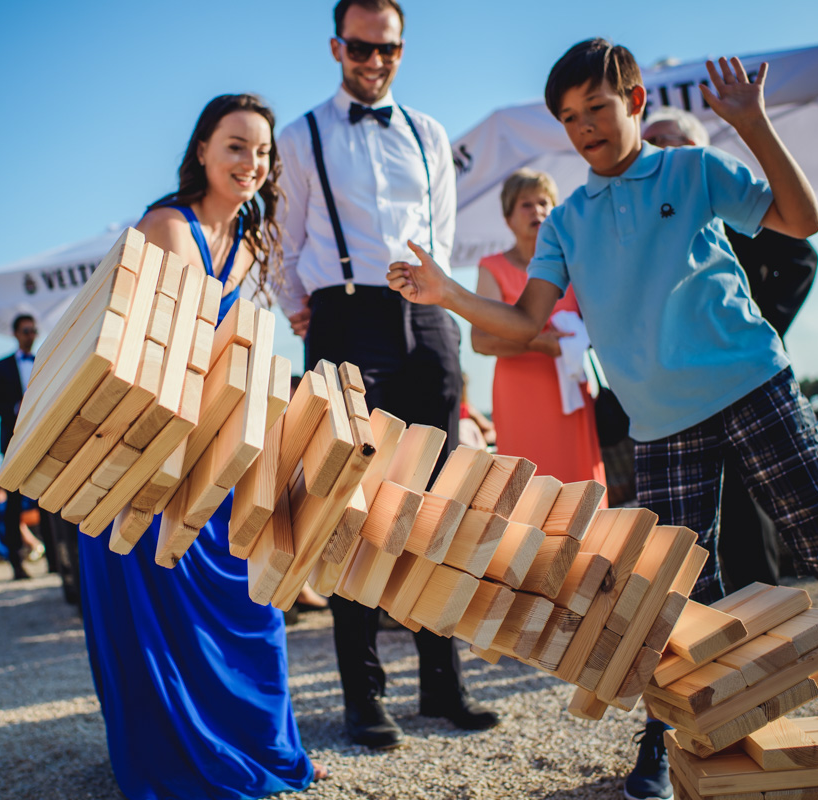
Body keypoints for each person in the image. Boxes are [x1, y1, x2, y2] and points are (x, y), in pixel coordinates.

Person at [386, 38, 818, 794]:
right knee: (670, 594)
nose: (585, 127)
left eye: (597, 107)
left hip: (753, 386)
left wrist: (753, 125)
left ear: (634, 101)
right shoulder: (565, 223)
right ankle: (667, 731)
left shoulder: (692, 170)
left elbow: (802, 220)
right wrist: (448, 294)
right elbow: (526, 321)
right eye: (569, 117)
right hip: (659, 426)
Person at [76, 93, 324, 800]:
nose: (252, 162)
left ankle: (258, 748)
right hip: (143, 450)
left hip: (214, 444)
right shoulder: (165, 227)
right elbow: (144, 355)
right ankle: (180, 758)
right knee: (161, 616)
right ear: (203, 151)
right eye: (236, 146)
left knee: (253, 604)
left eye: (263, 151)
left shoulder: (251, 239)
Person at [276, 0, 498, 751]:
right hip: (343, 317)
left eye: (389, 50)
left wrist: (440, 305)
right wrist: (299, 307)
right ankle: (363, 696)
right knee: (349, 502)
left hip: (426, 318)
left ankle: (443, 683)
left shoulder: (429, 132)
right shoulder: (299, 135)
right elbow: (286, 240)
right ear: (336, 47)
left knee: (436, 501)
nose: (375, 62)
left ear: (402, 49)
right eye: (362, 48)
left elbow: (445, 234)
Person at [643, 106, 818, 591]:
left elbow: (801, 257)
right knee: (686, 532)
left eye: (661, 140)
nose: (650, 150)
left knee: (749, 508)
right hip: (677, 389)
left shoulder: (723, 194)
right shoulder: (648, 215)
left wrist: (755, 327)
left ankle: (764, 617)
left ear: (693, 148)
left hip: (742, 377)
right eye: (647, 141)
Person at [472, 168, 606, 489]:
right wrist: (536, 342)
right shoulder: (493, 267)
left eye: (544, 203)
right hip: (520, 395)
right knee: (528, 488)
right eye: (526, 204)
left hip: (571, 393)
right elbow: (481, 341)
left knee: (579, 486)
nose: (538, 211)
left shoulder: (574, 263)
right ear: (508, 218)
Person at [0, 314, 41, 580]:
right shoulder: (0, 366)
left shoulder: (45, 360)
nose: (31, 335)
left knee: (51, 499)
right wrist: (15, 407)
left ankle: (58, 559)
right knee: (13, 503)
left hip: (44, 438)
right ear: (16, 333)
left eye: (33, 330)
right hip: (13, 443)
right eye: (26, 330)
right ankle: (16, 562)